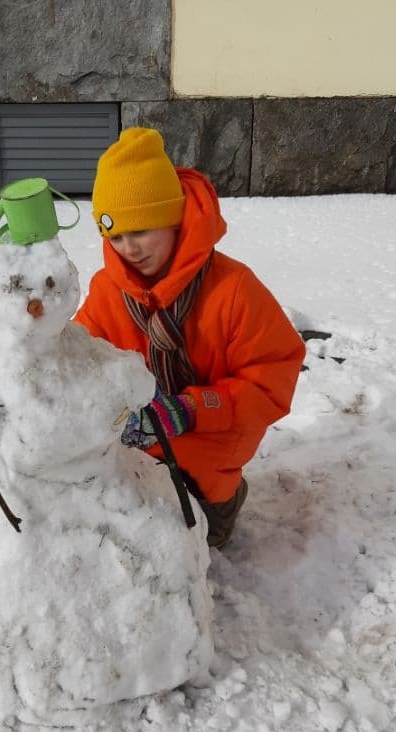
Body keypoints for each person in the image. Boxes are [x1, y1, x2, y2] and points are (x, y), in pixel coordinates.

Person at [74, 127, 306, 548]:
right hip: (135, 451)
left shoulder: (232, 289)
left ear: (175, 219)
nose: (130, 249)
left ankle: (226, 500)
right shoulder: (108, 290)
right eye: (117, 236)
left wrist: (191, 409)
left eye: (141, 231)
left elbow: (272, 379)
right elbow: (81, 358)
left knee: (203, 538)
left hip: (211, 445)